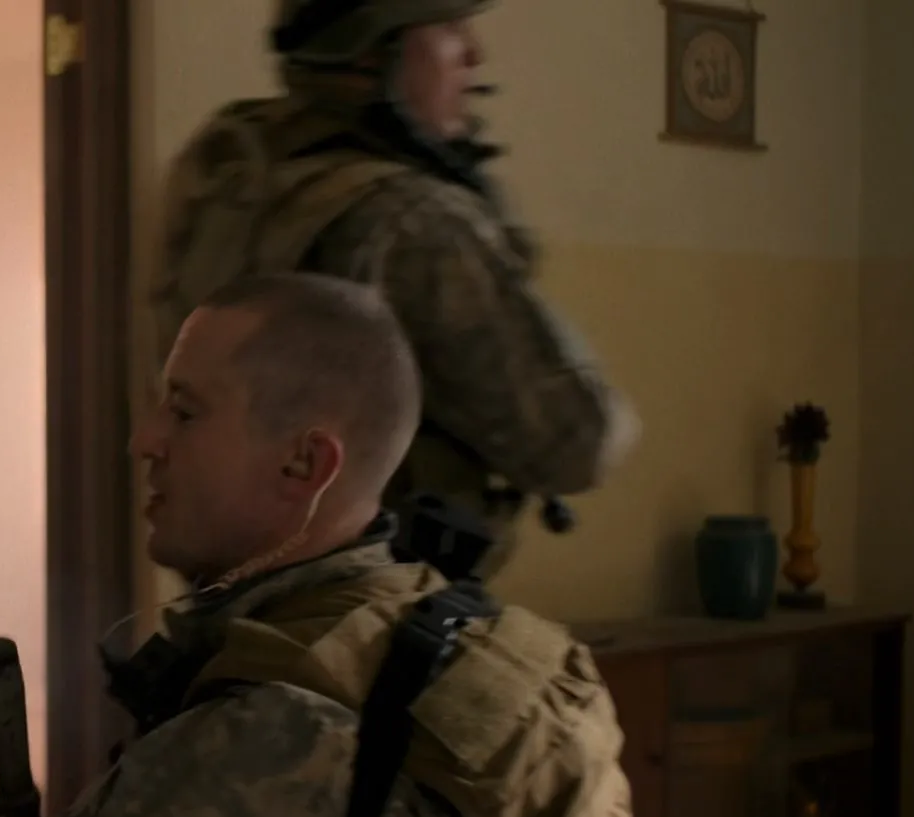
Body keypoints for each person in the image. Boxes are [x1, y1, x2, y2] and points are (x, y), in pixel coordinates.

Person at [0, 273, 666, 817]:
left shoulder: (275, 736)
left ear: (304, 465)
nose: (145, 441)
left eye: (185, 411)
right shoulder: (467, 629)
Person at [149, 0, 642, 579]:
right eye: (449, 28)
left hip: (231, 594)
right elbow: (577, 443)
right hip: (374, 603)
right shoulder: (412, 218)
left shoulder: (233, 170)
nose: (474, 54)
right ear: (369, 52)